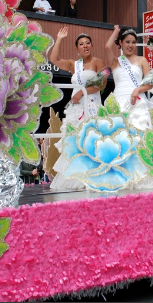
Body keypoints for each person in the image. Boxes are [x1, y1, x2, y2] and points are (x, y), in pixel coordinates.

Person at [46, 27, 108, 191]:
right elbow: (53, 59)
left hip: (92, 104)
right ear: (77, 48)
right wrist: (59, 39)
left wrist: (83, 92)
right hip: (76, 108)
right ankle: (76, 177)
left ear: (92, 45)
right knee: (74, 141)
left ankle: (94, 176)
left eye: (88, 43)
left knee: (92, 140)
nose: (85, 46)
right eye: (81, 44)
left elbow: (102, 85)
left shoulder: (98, 62)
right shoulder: (74, 65)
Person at [104, 25, 153, 133]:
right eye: (127, 42)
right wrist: (116, 31)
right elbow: (107, 47)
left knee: (139, 131)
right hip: (119, 99)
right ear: (121, 43)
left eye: (133, 42)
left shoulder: (142, 60)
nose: (130, 45)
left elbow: (150, 84)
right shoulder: (115, 62)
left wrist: (137, 90)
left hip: (137, 100)